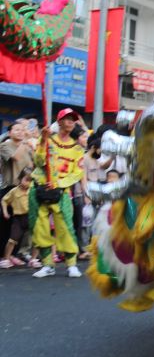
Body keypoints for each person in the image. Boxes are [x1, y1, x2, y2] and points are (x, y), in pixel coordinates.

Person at [30, 109, 87, 278]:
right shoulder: (48, 140)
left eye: (73, 120)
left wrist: (59, 183)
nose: (70, 122)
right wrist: (42, 140)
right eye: (66, 119)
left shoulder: (77, 149)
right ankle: (48, 264)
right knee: (39, 228)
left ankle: (71, 264)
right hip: (40, 188)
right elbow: (39, 161)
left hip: (61, 192)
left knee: (66, 228)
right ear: (59, 121)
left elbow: (77, 173)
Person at [0, 168, 33, 268]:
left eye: (30, 181)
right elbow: (4, 200)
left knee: (36, 239)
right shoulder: (14, 191)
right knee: (12, 239)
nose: (28, 183)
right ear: (20, 179)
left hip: (30, 217)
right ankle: (6, 259)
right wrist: (5, 212)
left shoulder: (32, 190)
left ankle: (33, 259)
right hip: (18, 219)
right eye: (26, 180)